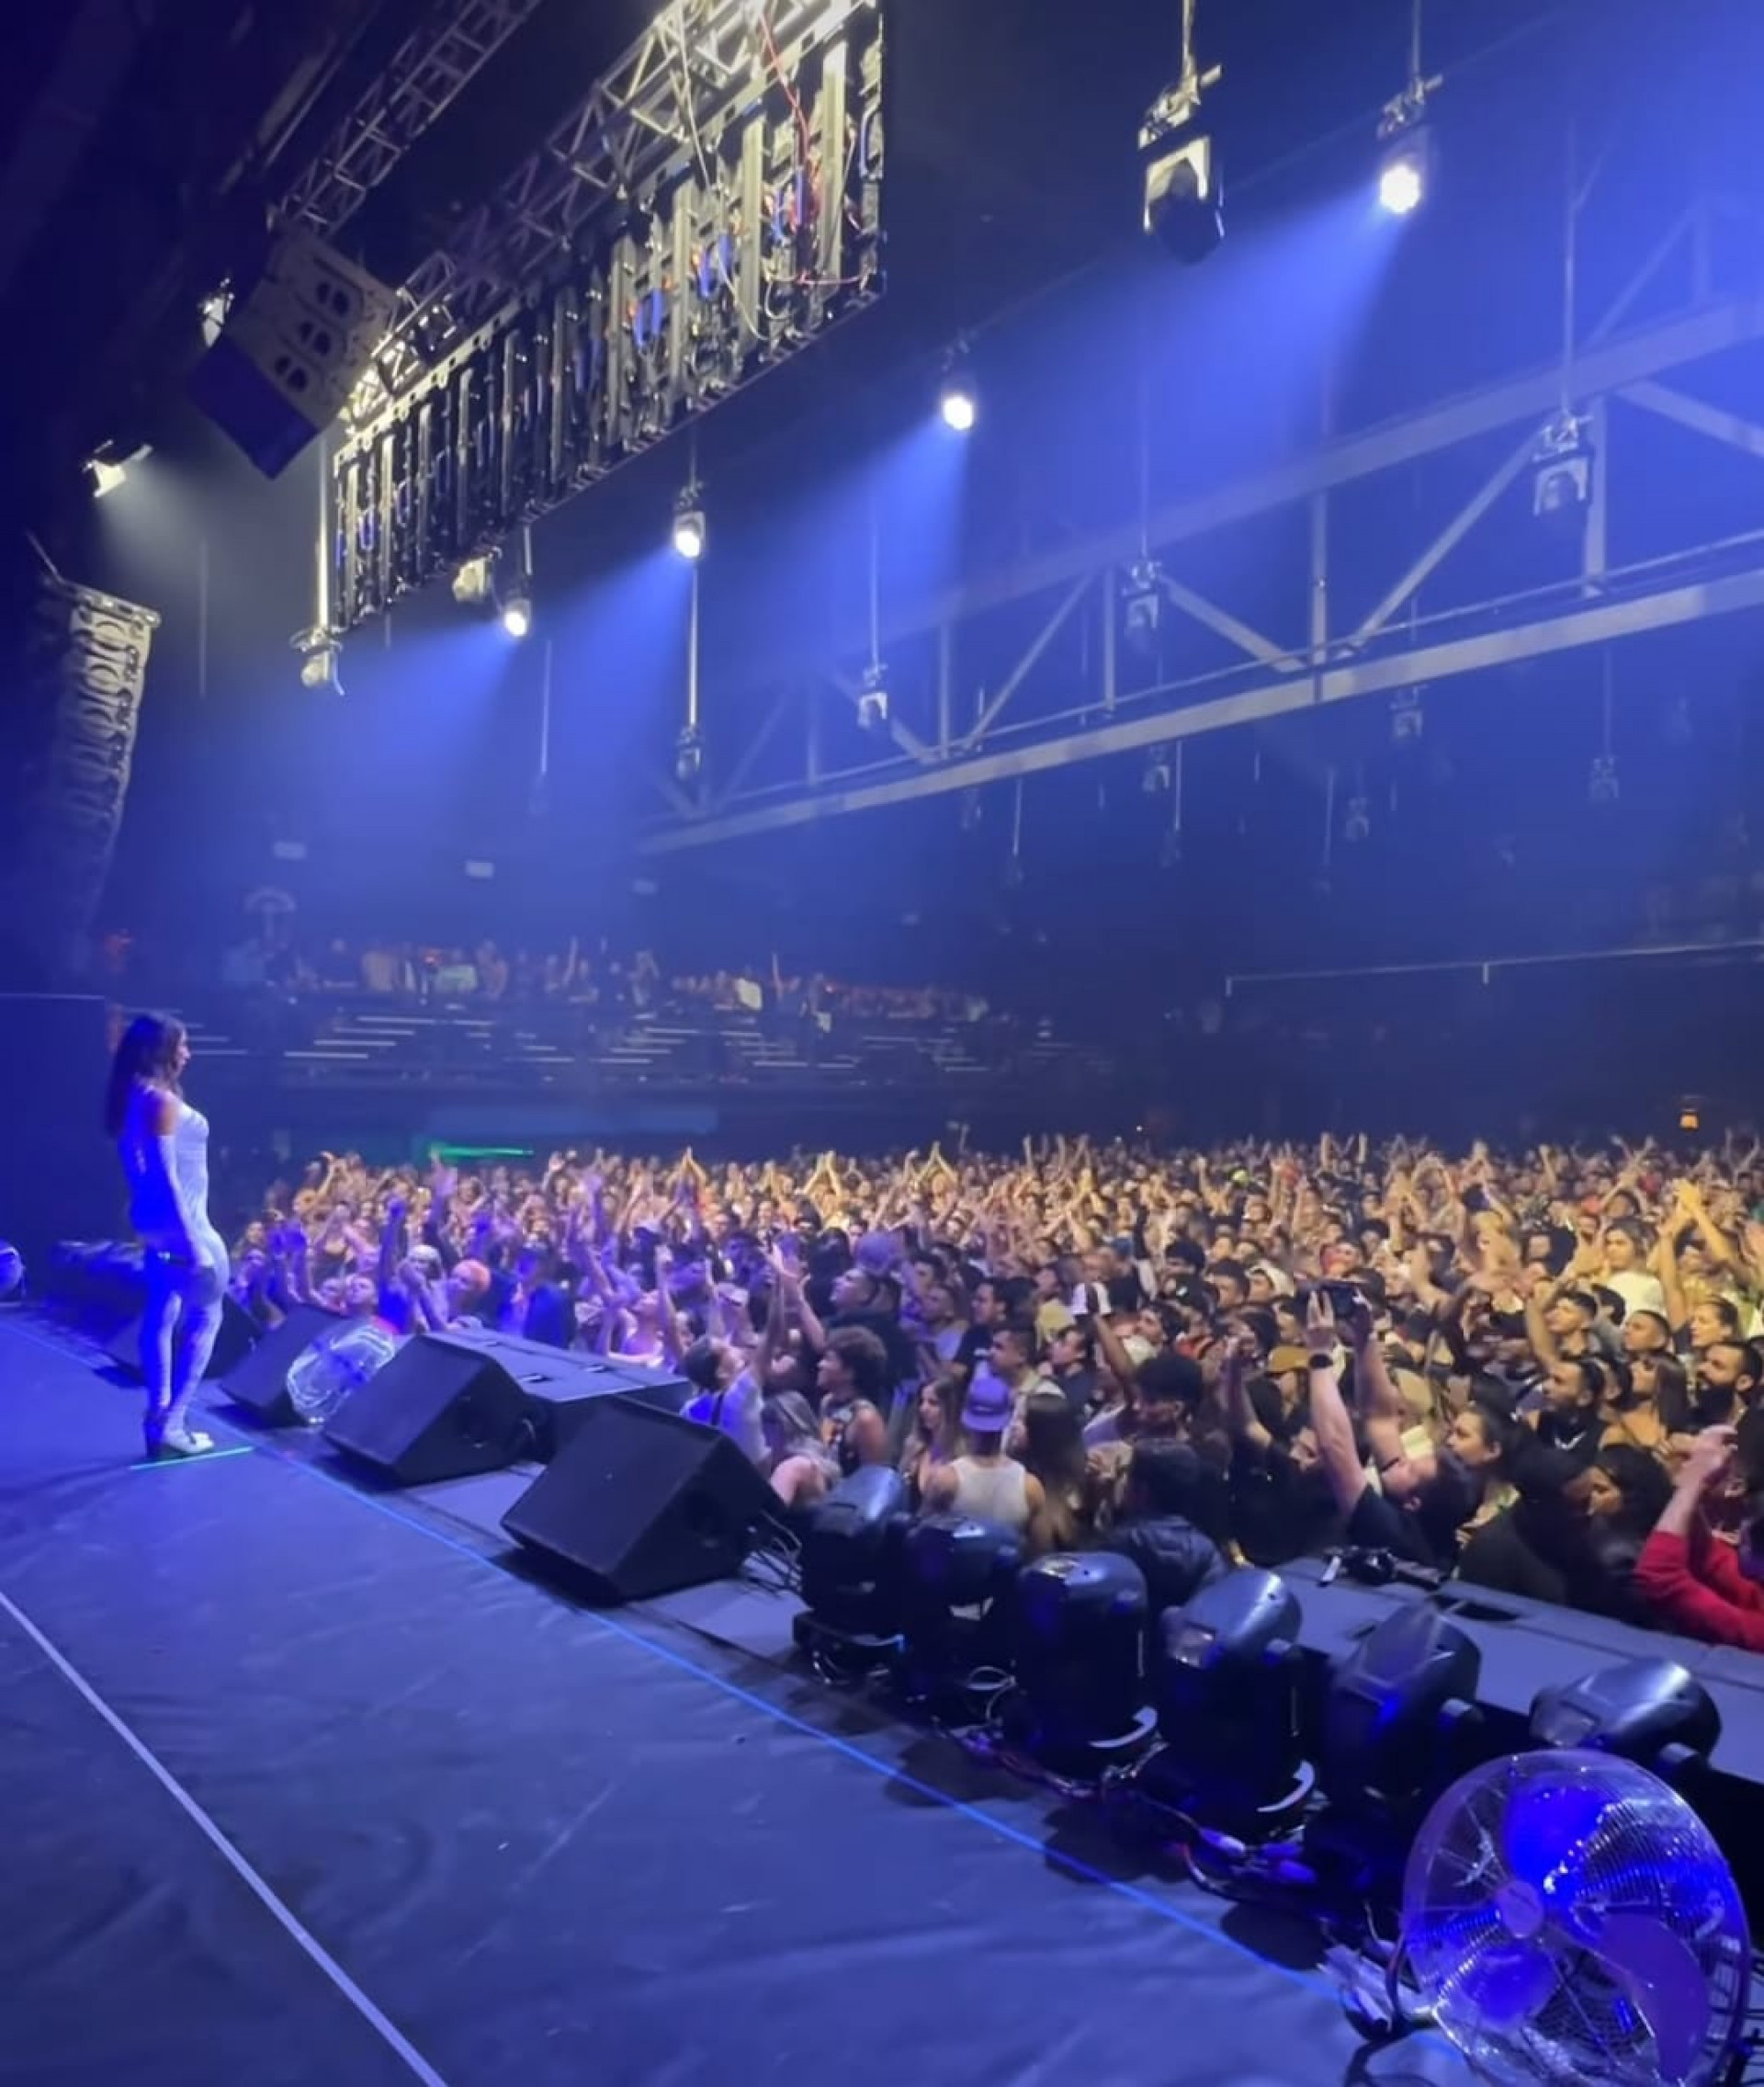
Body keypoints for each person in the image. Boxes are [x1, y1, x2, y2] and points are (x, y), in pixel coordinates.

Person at [106, 1014, 229, 1458]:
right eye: (182, 1046)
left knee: (161, 1313)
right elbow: (166, 1176)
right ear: (161, 1051)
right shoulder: (159, 1101)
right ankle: (172, 1423)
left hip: (156, 1226)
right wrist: (192, 1244)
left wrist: (146, 1221)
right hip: (186, 1226)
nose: (188, 1054)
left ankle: (158, 1415)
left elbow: (140, 1172)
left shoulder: (131, 1095)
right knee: (206, 1318)